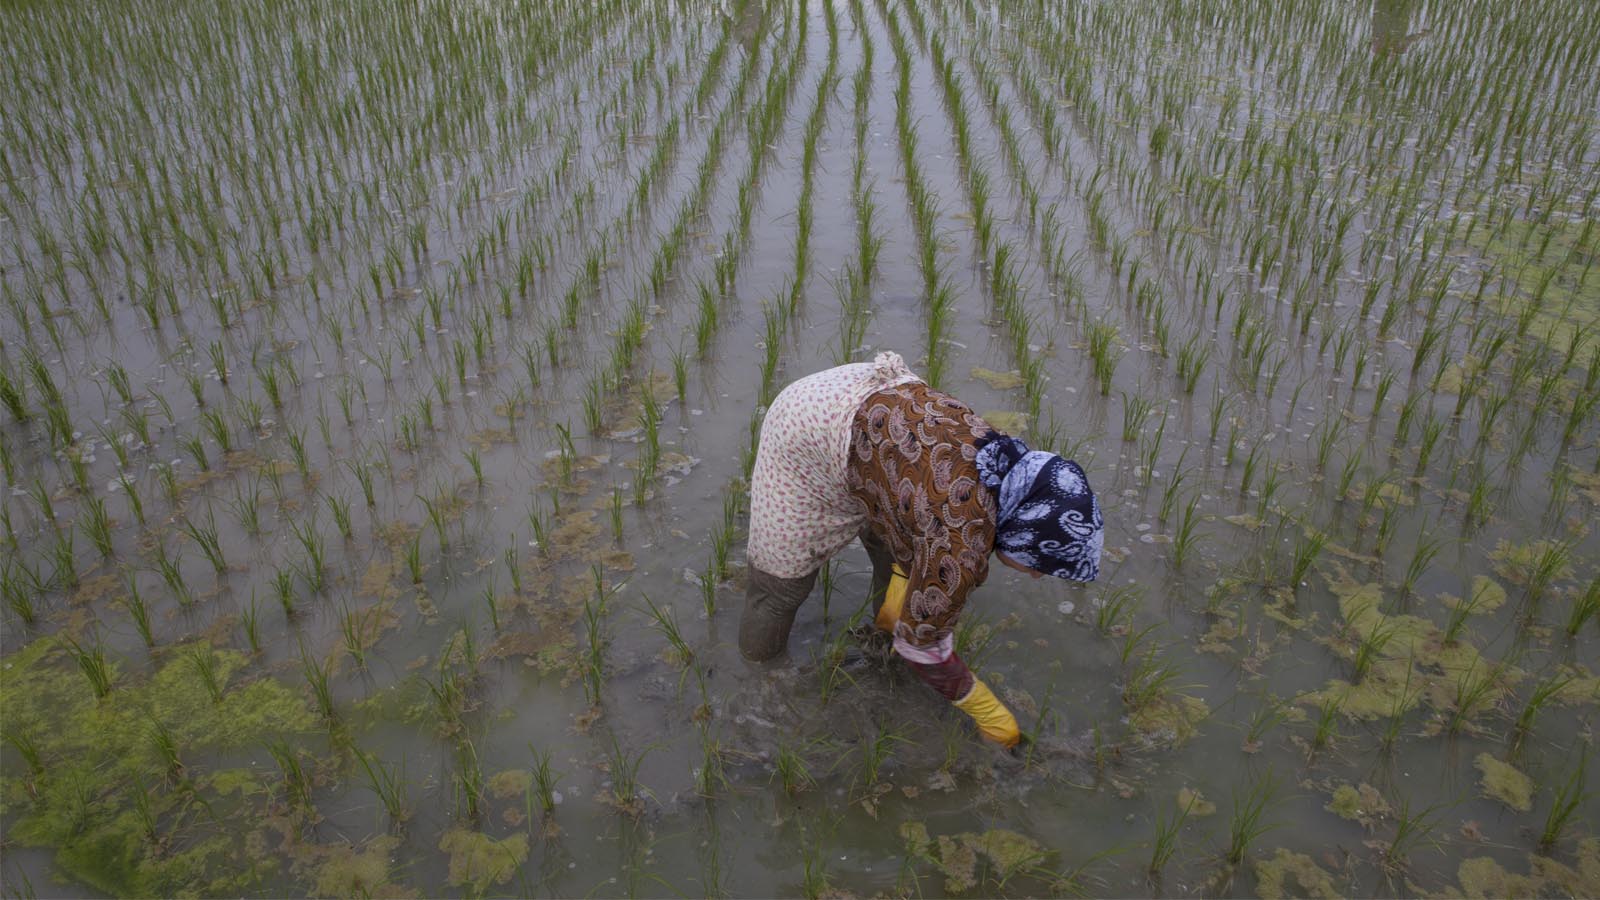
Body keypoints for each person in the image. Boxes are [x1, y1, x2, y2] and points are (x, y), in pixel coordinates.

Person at [739, 352, 1103, 747]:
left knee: (897, 547)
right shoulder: (961, 546)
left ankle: (883, 635)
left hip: (861, 402)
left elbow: (928, 513)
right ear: (1026, 531)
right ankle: (759, 685)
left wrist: (910, 600)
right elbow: (922, 646)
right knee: (779, 589)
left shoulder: (1004, 461)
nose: (1035, 575)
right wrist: (988, 712)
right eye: (1040, 562)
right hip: (804, 429)